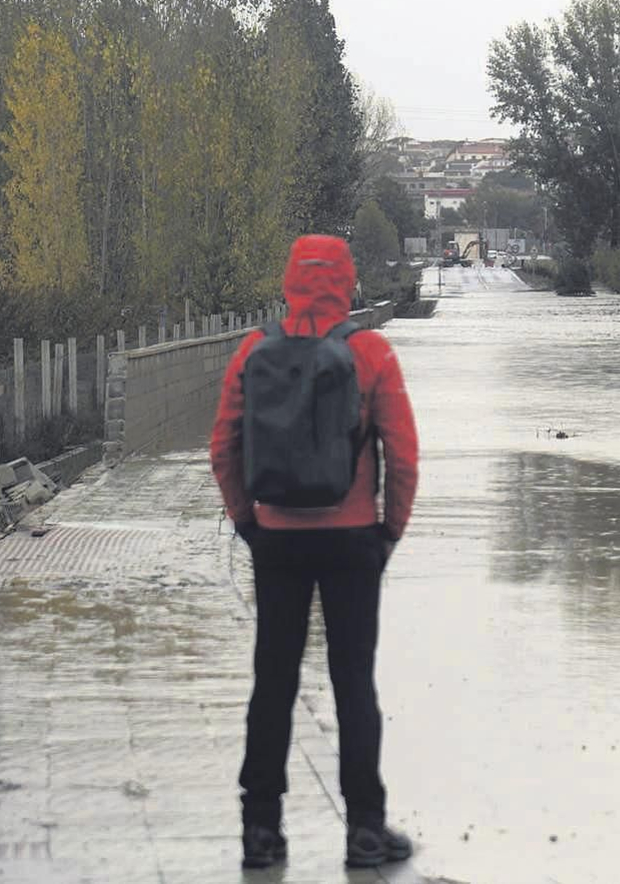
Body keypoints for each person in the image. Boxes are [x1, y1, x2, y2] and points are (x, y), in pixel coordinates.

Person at [210, 234, 419, 871]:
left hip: (277, 540)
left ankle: (261, 832)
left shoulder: (253, 350)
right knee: (353, 681)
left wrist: (249, 522)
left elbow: (223, 446)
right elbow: (403, 455)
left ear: (289, 281)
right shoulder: (371, 352)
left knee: (272, 681)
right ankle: (364, 831)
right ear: (348, 282)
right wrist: (388, 532)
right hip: (353, 539)